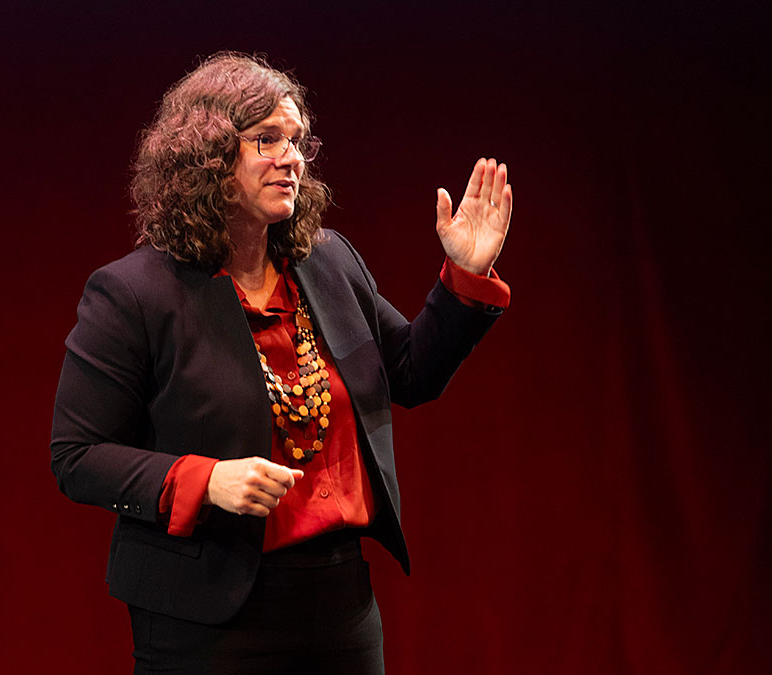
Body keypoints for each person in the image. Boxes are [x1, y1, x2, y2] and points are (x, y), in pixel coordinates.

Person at [50, 52, 513, 674]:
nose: (291, 157)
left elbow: (410, 374)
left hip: (339, 602)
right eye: (266, 139)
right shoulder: (134, 293)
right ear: (207, 158)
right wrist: (203, 479)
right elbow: (77, 456)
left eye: (296, 140)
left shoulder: (329, 262)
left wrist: (465, 277)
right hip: (207, 615)